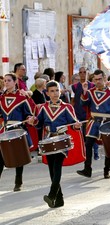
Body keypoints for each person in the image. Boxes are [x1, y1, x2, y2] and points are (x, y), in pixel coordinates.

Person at [29, 80, 81, 208]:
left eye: (57, 90)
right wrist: (33, 121)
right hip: (47, 141)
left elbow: (73, 122)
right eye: (52, 91)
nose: (55, 93)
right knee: (52, 170)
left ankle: (52, 194)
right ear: (47, 93)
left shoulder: (67, 107)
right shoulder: (43, 108)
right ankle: (59, 199)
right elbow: (39, 123)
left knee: (57, 167)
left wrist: (76, 125)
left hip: (62, 141)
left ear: (60, 91)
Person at [76, 69, 110, 179]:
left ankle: (106, 170)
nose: (98, 81)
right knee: (88, 144)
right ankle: (87, 169)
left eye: (100, 79)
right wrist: (84, 91)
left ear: (104, 79)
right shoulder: (90, 92)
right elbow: (83, 103)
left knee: (107, 147)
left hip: (107, 122)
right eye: (95, 79)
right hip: (93, 122)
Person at [0, 73, 35, 191]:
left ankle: (18, 181)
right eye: (5, 81)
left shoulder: (22, 98)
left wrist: (30, 119)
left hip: (18, 130)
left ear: (15, 82)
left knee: (19, 157)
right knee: (0, 157)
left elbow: (29, 113)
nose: (6, 83)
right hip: (5, 130)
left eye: (9, 80)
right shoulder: (1, 98)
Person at [71, 67, 98, 159]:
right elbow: (73, 100)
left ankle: (96, 153)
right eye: (80, 72)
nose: (82, 74)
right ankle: (84, 153)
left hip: (89, 112)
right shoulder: (74, 86)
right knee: (82, 134)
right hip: (78, 112)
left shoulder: (93, 86)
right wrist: (72, 112)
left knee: (91, 133)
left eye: (84, 72)